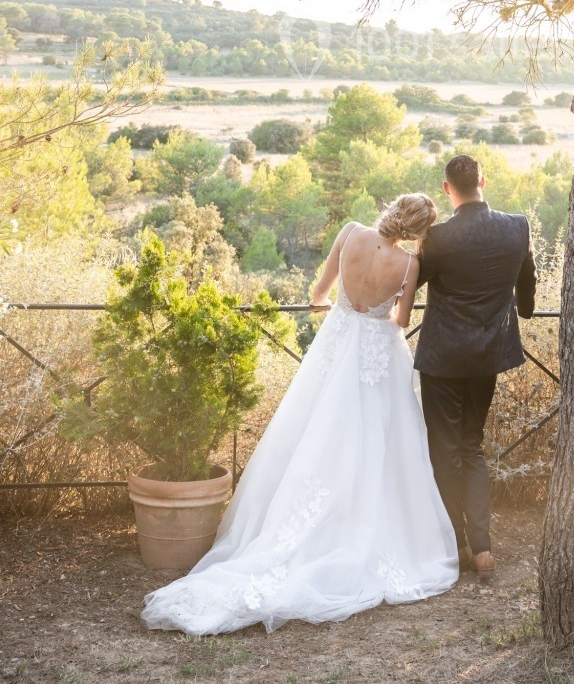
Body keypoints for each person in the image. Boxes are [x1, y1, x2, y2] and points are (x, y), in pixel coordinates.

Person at [141, 193, 458, 635]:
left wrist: (340, 308)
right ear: (416, 230)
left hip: (334, 344)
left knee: (311, 429)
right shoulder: (409, 266)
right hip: (374, 358)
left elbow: (320, 292)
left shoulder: (350, 232)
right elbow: (400, 321)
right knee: (375, 444)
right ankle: (356, 524)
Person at [415, 154, 536, 578]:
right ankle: (484, 547)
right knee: (472, 445)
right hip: (486, 356)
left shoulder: (438, 237)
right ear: (483, 180)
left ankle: (458, 543)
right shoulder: (517, 226)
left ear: (447, 189)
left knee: (444, 450)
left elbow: (411, 283)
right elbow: (528, 293)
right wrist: (525, 308)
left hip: (442, 358)